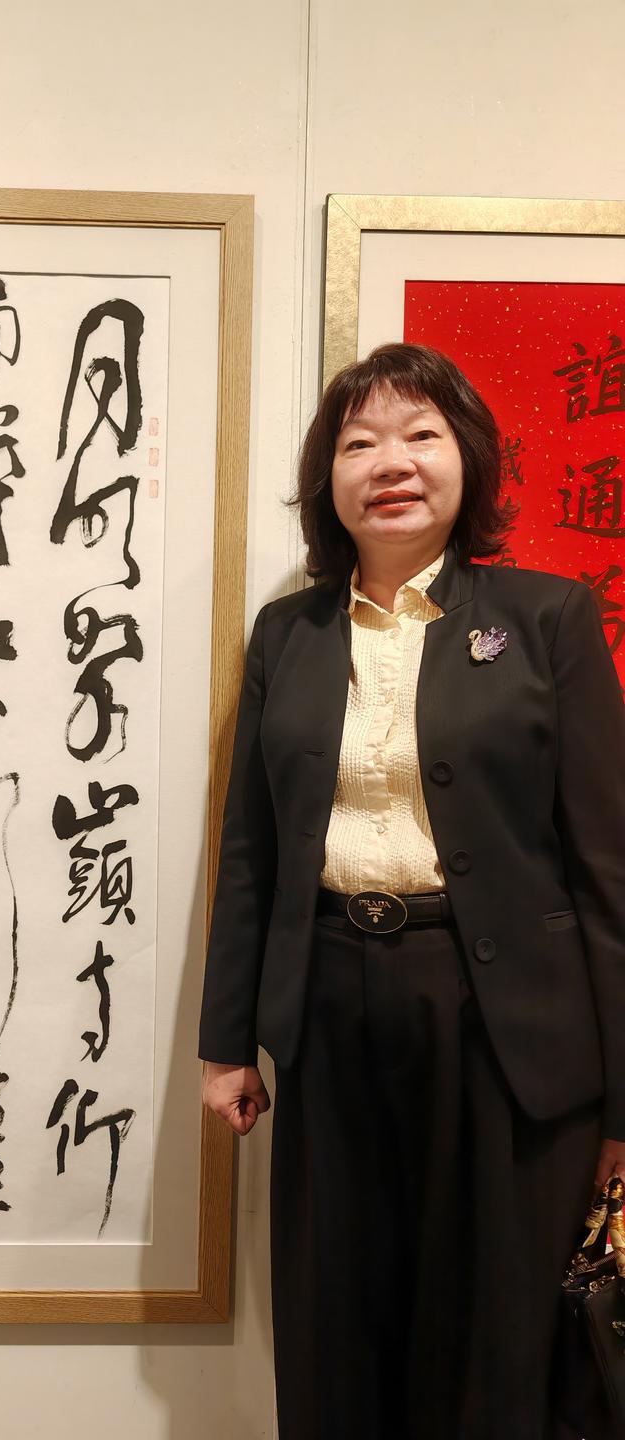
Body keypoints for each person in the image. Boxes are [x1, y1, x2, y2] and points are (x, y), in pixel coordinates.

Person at [197, 343, 625, 1439]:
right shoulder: (289, 635)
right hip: (328, 1003)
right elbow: (250, 850)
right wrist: (226, 1043)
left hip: (510, 1026)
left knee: (495, 1332)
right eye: (359, 443)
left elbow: (607, 866)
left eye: (420, 435)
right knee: (336, 1318)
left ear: (467, 460)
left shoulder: (548, 618)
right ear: (328, 479)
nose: (390, 463)